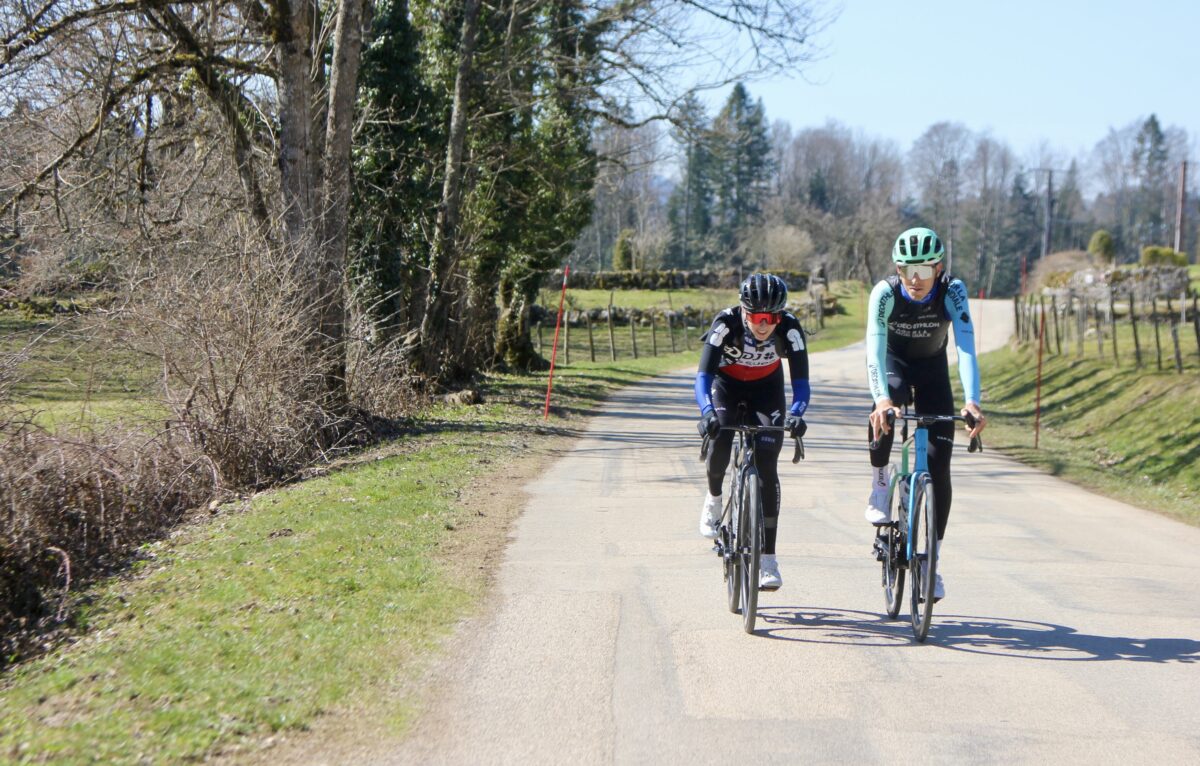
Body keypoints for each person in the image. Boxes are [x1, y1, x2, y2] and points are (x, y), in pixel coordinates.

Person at [864, 226, 986, 601]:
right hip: (893, 364)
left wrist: (973, 400)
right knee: (886, 408)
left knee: (939, 466)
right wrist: (882, 398)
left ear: (939, 267)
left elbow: (966, 347)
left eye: (924, 270)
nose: (914, 280)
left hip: (933, 370)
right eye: (905, 270)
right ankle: (881, 482)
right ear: (897, 270)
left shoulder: (953, 291)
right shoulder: (885, 293)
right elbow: (874, 346)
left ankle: (931, 562)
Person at [695, 273, 810, 591]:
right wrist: (706, 413)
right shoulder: (725, 324)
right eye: (757, 317)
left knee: (768, 468)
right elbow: (703, 376)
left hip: (766, 390)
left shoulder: (790, 328)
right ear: (744, 311)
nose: (764, 325)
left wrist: (798, 414)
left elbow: (801, 384)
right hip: (726, 387)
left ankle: (769, 560)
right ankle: (715, 497)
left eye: (771, 318)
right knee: (719, 442)